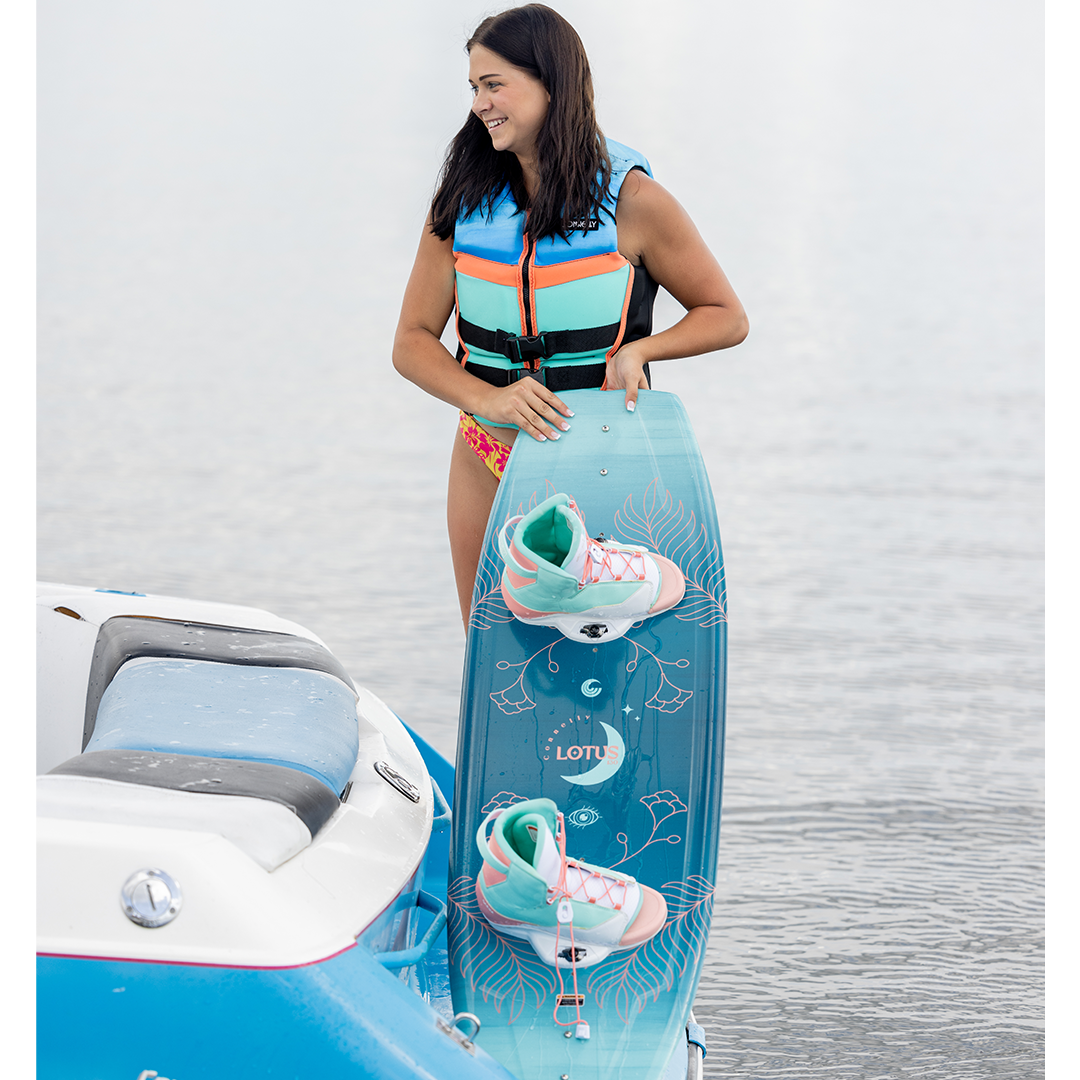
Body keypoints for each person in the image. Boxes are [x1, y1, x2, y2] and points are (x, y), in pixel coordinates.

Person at [393, 4, 748, 630]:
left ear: (551, 82)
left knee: (601, 649)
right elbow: (412, 342)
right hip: (486, 452)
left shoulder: (633, 200)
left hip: (600, 453)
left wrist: (642, 350)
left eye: (494, 84)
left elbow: (725, 315)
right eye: (474, 87)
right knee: (491, 643)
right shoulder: (460, 203)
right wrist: (491, 399)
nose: (480, 103)